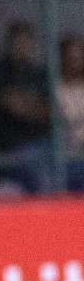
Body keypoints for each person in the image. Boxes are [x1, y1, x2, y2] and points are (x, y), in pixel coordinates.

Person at [0, 21, 52, 193]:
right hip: (6, 151)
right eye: (18, 41)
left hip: (42, 146)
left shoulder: (39, 74)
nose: (22, 46)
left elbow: (50, 111)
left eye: (26, 41)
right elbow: (12, 105)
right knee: (42, 177)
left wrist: (29, 108)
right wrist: (33, 109)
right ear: (8, 43)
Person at [59, 34, 84, 191]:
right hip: (66, 159)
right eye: (70, 58)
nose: (74, 62)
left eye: (78, 58)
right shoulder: (54, 88)